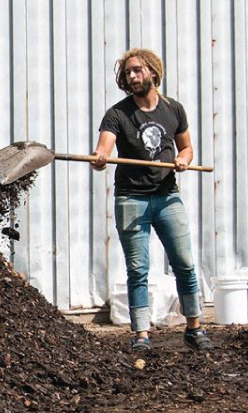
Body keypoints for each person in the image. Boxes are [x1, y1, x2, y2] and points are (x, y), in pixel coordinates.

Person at [91, 48, 213, 351]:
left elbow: (186, 148)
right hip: (132, 199)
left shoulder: (174, 109)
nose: (132, 76)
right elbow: (103, 147)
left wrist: (183, 159)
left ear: (153, 73)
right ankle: (141, 335)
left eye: (137, 70)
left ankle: (194, 328)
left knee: (184, 263)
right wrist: (100, 158)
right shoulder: (118, 114)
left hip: (167, 197)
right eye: (128, 72)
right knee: (138, 269)